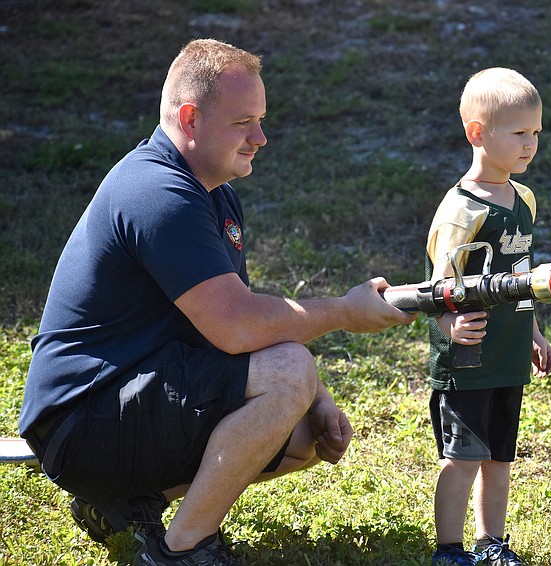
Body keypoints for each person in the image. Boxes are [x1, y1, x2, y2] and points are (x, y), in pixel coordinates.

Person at [19, 38, 416, 566]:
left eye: (261, 119)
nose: (261, 137)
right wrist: (344, 313)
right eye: (243, 123)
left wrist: (317, 399)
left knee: (302, 436)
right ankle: (183, 548)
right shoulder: (156, 192)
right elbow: (239, 328)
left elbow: (248, 326)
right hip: (81, 421)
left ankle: (127, 506)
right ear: (190, 118)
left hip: (126, 399)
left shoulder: (211, 192)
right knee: (287, 373)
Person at [425, 68, 551, 566]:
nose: (530, 144)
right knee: (463, 458)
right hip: (468, 360)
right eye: (519, 133)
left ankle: (491, 545)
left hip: (507, 355)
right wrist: (448, 327)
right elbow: (437, 286)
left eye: (536, 133)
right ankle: (449, 551)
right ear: (478, 133)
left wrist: (534, 332)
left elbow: (520, 276)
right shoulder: (461, 211)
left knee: (500, 459)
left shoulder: (523, 200)